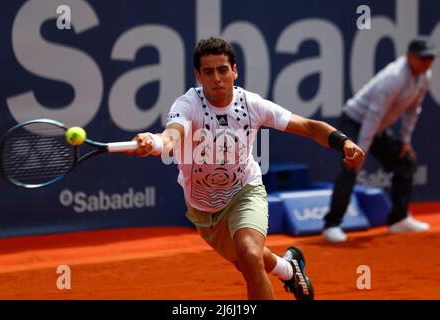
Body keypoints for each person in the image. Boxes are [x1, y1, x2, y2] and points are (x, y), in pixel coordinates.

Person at [127, 37, 365, 299]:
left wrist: (345, 143)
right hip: (202, 208)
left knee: (250, 256)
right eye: (208, 71)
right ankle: (289, 268)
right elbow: (171, 136)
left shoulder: (251, 104)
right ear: (198, 76)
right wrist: (155, 142)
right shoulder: (188, 104)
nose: (216, 78)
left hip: (245, 191)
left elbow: (308, 127)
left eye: (222, 70)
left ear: (234, 71)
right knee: (247, 262)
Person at [322, 35, 436, 243]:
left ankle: (398, 219)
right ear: (410, 56)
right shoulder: (394, 78)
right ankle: (332, 224)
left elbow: (413, 111)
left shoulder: (424, 76)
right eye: (423, 58)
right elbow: (372, 115)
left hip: (377, 126)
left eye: (430, 58)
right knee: (350, 167)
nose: (427, 62)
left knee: (404, 162)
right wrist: (361, 151)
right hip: (356, 121)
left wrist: (405, 141)